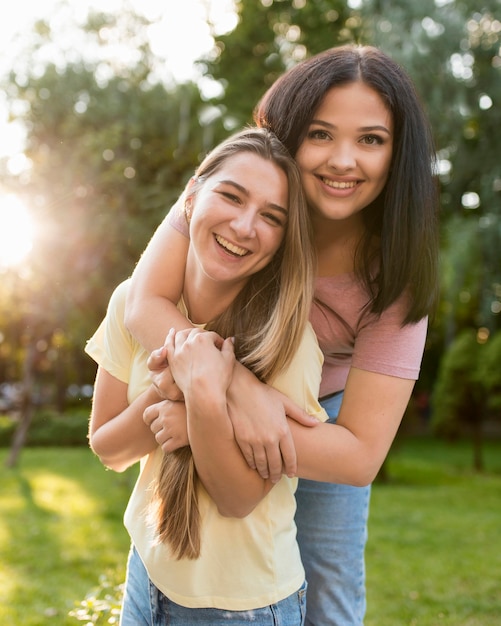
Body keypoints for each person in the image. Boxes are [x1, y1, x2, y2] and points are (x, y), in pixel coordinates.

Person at [125, 44, 440, 625]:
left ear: (398, 154)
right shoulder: (236, 191)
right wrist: (235, 393)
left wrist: (234, 407)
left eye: (371, 139)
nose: (343, 160)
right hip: (219, 374)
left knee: (329, 586)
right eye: (321, 134)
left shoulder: (394, 270)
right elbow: (145, 302)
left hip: (325, 414)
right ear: (289, 133)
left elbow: (359, 455)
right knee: (180, 545)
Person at [86, 127, 327, 625]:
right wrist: (167, 387)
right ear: (191, 199)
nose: (244, 226)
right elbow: (108, 448)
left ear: (282, 241)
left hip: (244, 606)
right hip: (146, 578)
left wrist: (201, 406)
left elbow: (239, 499)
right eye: (231, 196)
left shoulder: (289, 341)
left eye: (271, 217)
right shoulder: (132, 302)